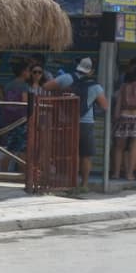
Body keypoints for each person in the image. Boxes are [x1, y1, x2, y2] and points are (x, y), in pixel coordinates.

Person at [44, 57, 107, 188]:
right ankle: (83, 185)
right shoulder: (96, 86)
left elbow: (46, 86)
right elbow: (105, 106)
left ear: (78, 67)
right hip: (86, 124)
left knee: (70, 153)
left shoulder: (66, 78)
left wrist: (60, 94)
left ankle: (70, 182)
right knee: (85, 155)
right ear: (91, 71)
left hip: (66, 122)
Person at [0, 62, 33, 171]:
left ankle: (3, 173)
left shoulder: (9, 85)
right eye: (28, 70)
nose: (30, 73)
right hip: (21, 120)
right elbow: (24, 101)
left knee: (10, 149)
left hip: (9, 119)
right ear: (23, 72)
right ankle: (23, 176)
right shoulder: (24, 85)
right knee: (22, 149)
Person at [112, 66, 136, 181]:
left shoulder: (123, 87)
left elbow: (118, 104)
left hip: (123, 117)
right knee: (133, 147)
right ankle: (130, 174)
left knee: (119, 147)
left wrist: (115, 119)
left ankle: (116, 173)